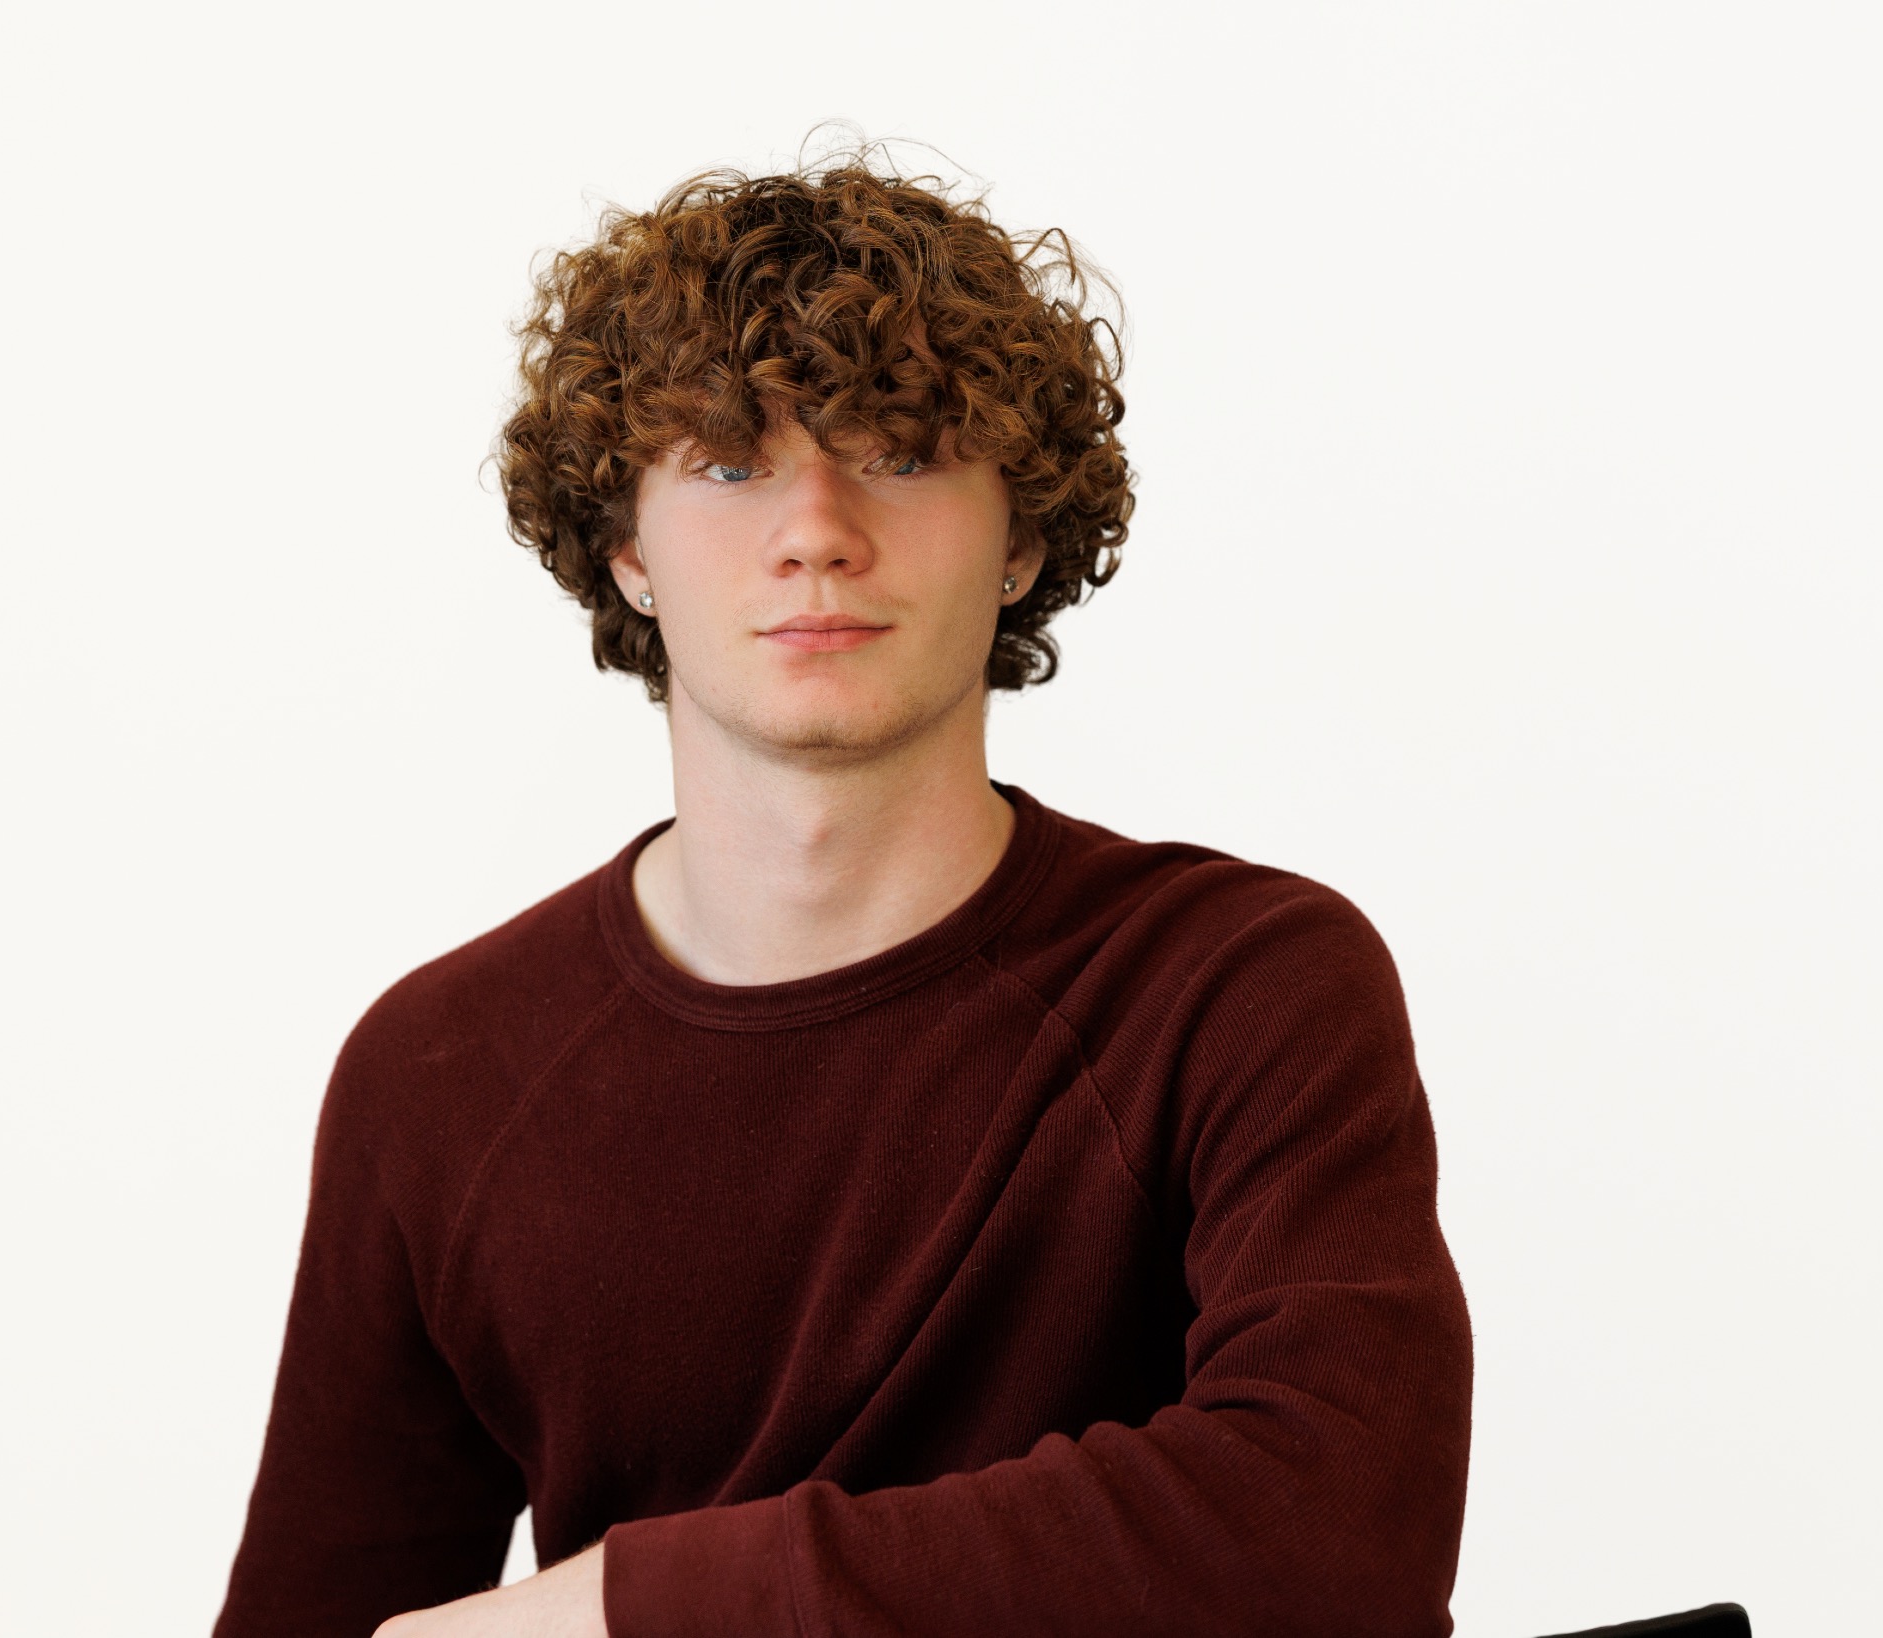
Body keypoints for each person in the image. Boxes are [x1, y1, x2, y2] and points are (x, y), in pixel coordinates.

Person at [212, 156, 1473, 1638]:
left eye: (904, 450)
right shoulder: (439, 1070)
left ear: (1020, 540)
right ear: (625, 549)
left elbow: (1339, 1532)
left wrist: (629, 1606)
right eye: (727, 464)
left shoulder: (1242, 987)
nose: (816, 528)